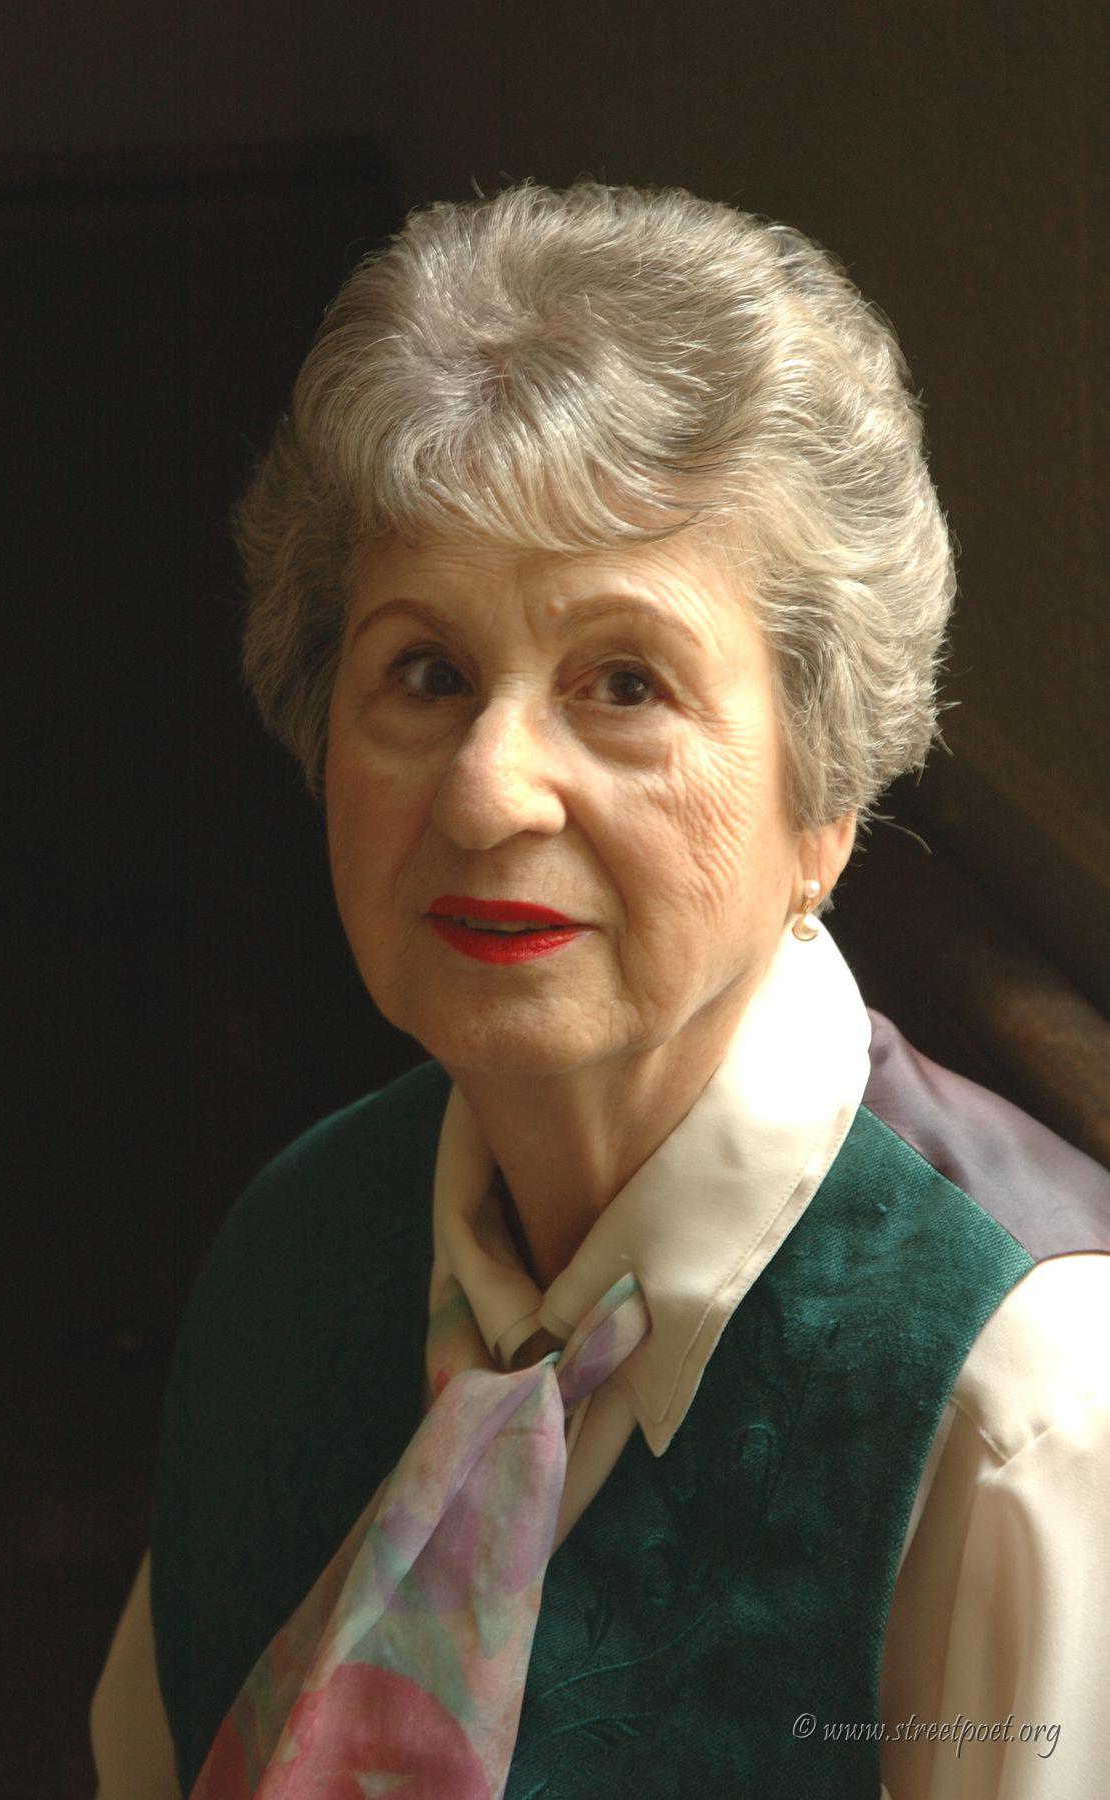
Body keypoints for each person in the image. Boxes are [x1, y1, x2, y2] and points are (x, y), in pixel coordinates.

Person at [90, 180, 1110, 1799]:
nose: (488, 792)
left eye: (623, 683)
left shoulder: (1023, 1411)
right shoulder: (290, 1251)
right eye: (426, 673)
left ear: (822, 800)